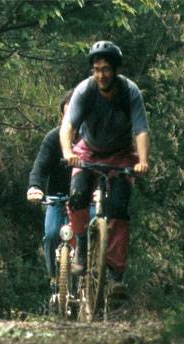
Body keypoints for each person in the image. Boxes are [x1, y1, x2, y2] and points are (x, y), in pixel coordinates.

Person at [60, 40, 150, 298]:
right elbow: (68, 126)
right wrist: (68, 153)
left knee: (119, 208)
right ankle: (81, 246)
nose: (101, 75)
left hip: (121, 155)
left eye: (106, 69)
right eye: (97, 69)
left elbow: (141, 130)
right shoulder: (84, 91)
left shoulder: (130, 92)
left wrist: (142, 160)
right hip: (88, 151)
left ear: (116, 70)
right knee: (77, 197)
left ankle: (116, 275)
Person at [27, 89, 75, 296]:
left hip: (85, 199)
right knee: (51, 234)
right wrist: (35, 187)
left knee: (90, 234)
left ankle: (93, 275)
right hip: (56, 197)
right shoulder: (53, 138)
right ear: (61, 116)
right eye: (67, 115)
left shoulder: (91, 138)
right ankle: (55, 278)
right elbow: (40, 167)